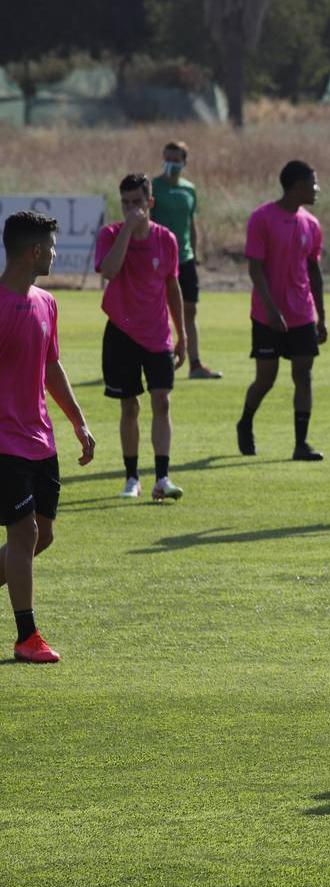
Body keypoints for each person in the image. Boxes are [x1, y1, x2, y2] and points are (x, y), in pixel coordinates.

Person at [0, 211, 97, 663]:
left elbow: (51, 366)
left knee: (43, 537)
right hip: (5, 444)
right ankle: (26, 636)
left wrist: (77, 420)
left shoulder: (46, 303)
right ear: (35, 251)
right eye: (52, 248)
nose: (56, 254)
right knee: (24, 534)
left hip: (41, 439)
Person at [96, 173, 187, 502]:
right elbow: (108, 271)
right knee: (129, 407)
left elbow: (173, 288)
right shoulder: (110, 235)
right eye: (126, 203)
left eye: (137, 202)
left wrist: (183, 335)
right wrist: (126, 233)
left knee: (162, 401)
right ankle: (131, 476)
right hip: (121, 332)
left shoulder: (167, 239)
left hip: (157, 333)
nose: (132, 208)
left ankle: (162, 477)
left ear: (150, 202)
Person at [237, 160, 326, 461]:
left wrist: (321, 317)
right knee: (267, 378)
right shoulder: (262, 218)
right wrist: (271, 309)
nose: (317, 188)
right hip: (267, 315)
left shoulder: (311, 224)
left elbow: (314, 270)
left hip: (302, 313)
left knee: (304, 375)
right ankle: (245, 421)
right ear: (297, 185)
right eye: (313, 182)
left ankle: (301, 444)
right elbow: (255, 268)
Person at [152, 140, 220, 378]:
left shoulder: (189, 189)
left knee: (189, 309)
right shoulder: (153, 187)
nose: (171, 163)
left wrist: (195, 251)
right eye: (167, 157)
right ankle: (157, 359)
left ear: (184, 162)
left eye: (176, 159)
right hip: (159, 259)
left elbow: (191, 223)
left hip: (185, 258)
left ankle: (195, 364)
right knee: (157, 310)